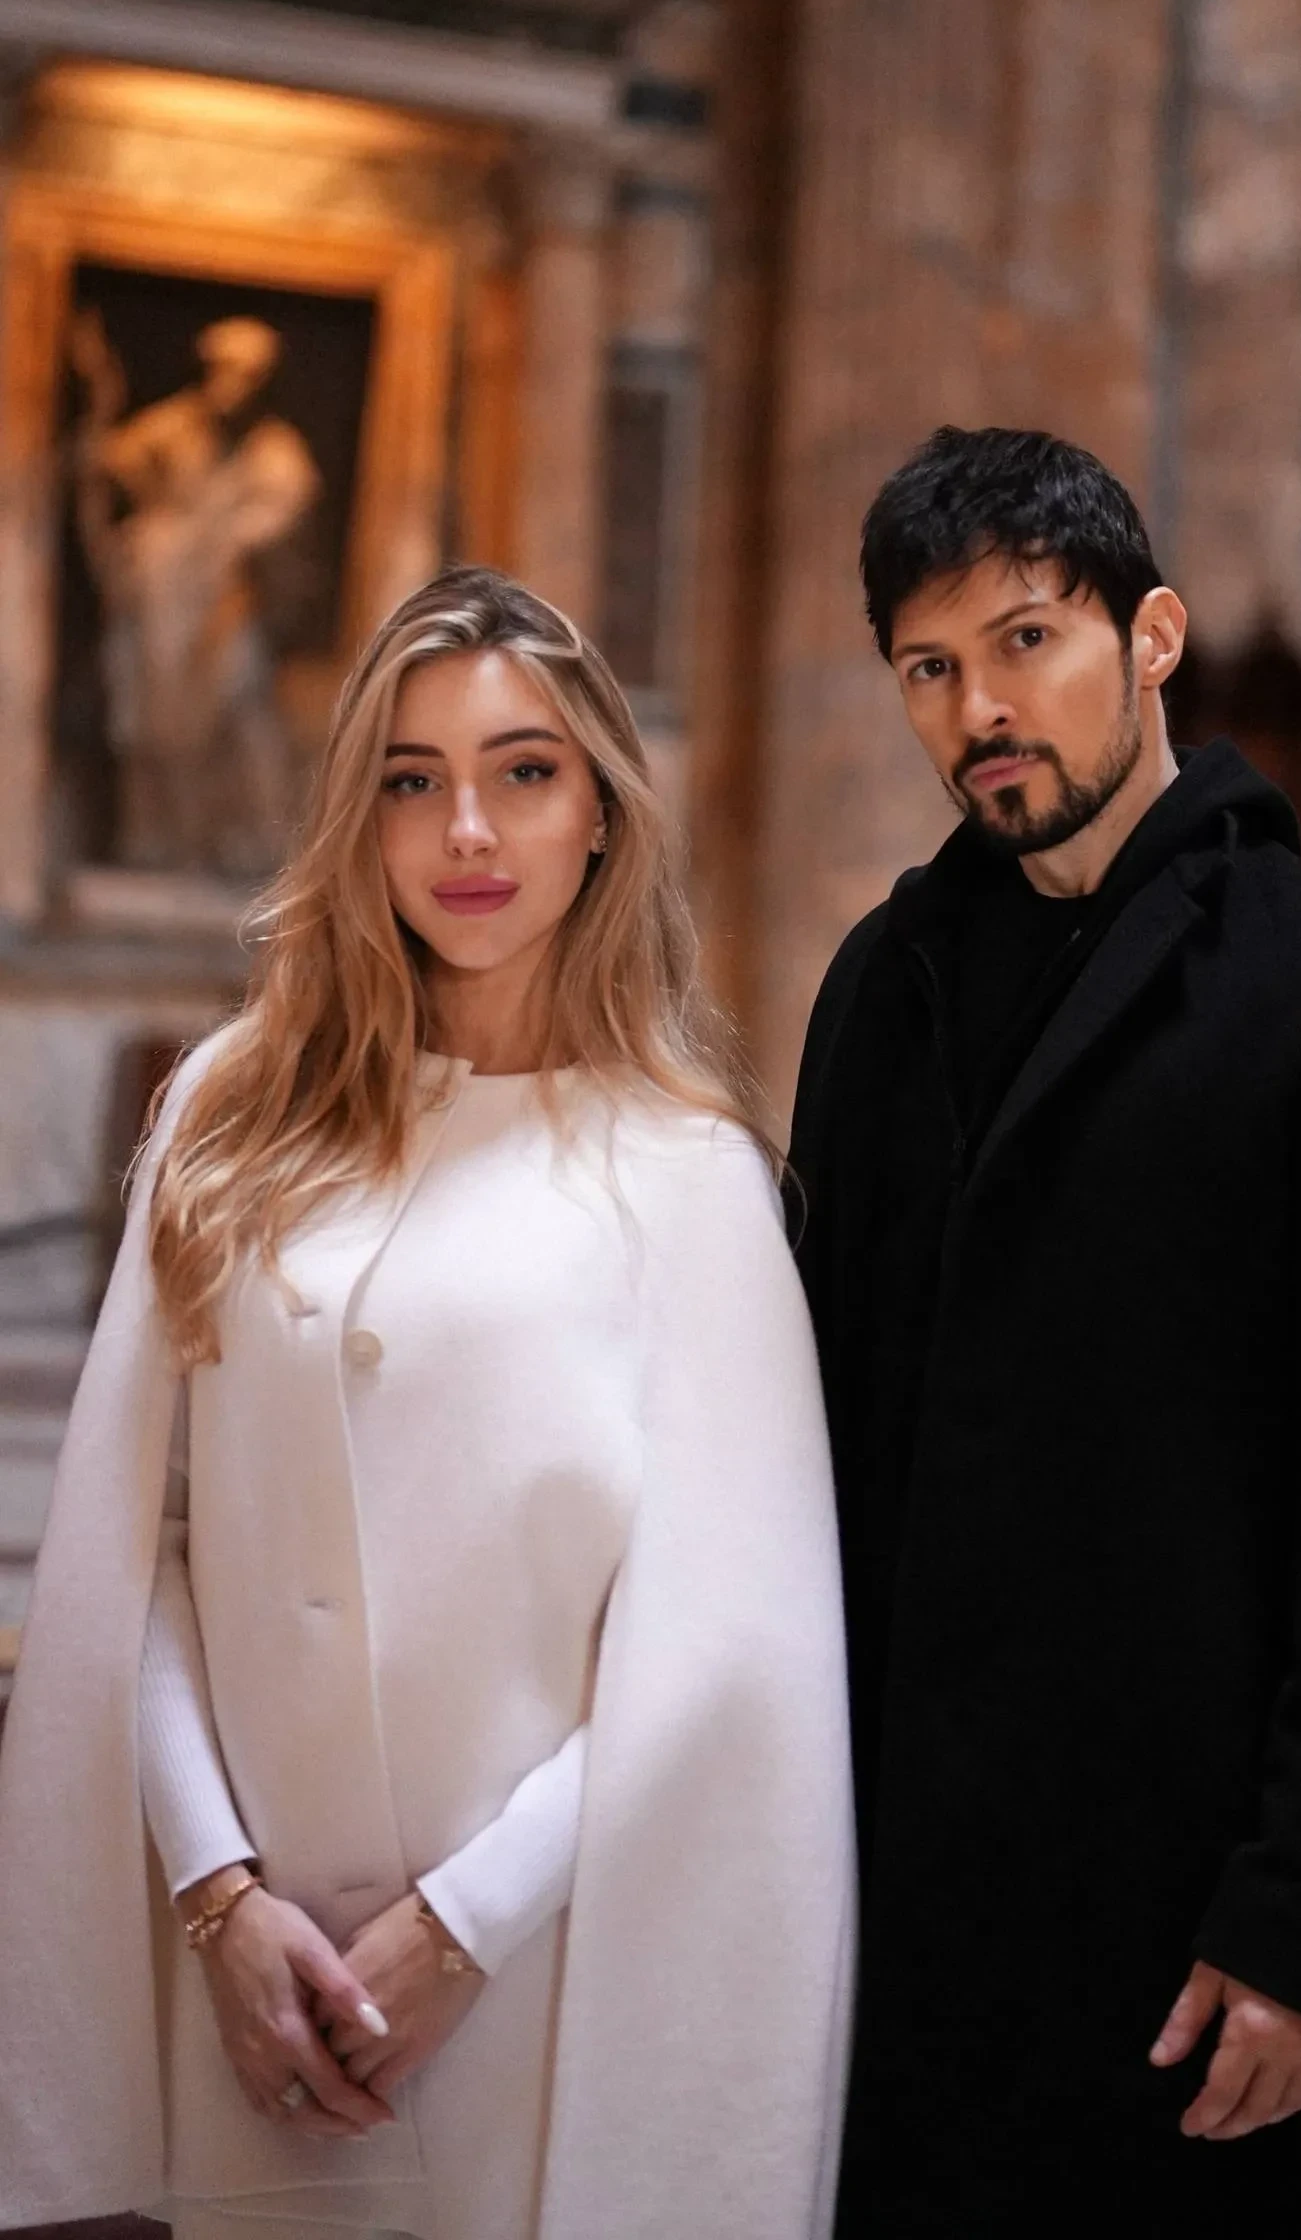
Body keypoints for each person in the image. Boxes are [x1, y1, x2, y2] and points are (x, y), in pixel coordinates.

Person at [0, 566, 854, 2240]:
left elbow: (723, 1653)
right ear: (361, 818)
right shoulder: (232, 1115)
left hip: (531, 1996)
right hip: (255, 2003)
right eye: (413, 779)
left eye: (523, 772)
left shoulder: (687, 1175)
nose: (467, 829)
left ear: (600, 815)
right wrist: (217, 1897)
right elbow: (133, 1548)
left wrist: (460, 1931)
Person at [788, 428, 1301, 2236]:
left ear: (1152, 637)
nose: (977, 710)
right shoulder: (880, 984)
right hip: (886, 1888)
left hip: (1174, 1912)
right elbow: (819, 1430)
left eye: (1024, 641)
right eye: (927, 669)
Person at [69, 310, 318, 871]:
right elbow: (112, 460)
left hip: (228, 606)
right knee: (142, 713)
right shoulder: (175, 426)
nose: (232, 385)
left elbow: (276, 517)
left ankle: (240, 842)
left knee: (236, 709)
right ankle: (150, 839)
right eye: (223, 369)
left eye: (246, 375)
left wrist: (222, 542)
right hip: (161, 603)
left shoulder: (276, 451)